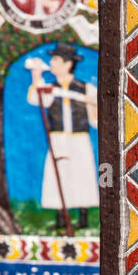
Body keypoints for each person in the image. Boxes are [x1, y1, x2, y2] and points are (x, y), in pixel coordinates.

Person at [26, 43, 98, 231]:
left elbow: (95, 117)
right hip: (58, 139)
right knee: (58, 175)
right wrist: (36, 76)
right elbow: (36, 99)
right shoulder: (50, 89)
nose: (52, 64)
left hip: (79, 138)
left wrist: (94, 108)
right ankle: (60, 218)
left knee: (82, 175)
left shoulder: (86, 88)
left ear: (67, 64)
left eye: (56, 61)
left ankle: (83, 218)